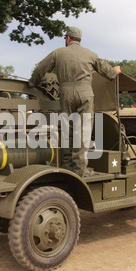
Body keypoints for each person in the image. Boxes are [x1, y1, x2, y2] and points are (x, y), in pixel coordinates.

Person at [29, 26, 121, 177]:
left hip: (65, 94)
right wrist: (115, 71)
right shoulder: (90, 54)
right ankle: (79, 170)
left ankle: (66, 166)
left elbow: (41, 69)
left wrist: (33, 82)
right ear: (79, 39)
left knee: (67, 130)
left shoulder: (58, 53)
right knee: (82, 131)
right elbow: (109, 73)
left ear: (68, 38)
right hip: (85, 94)